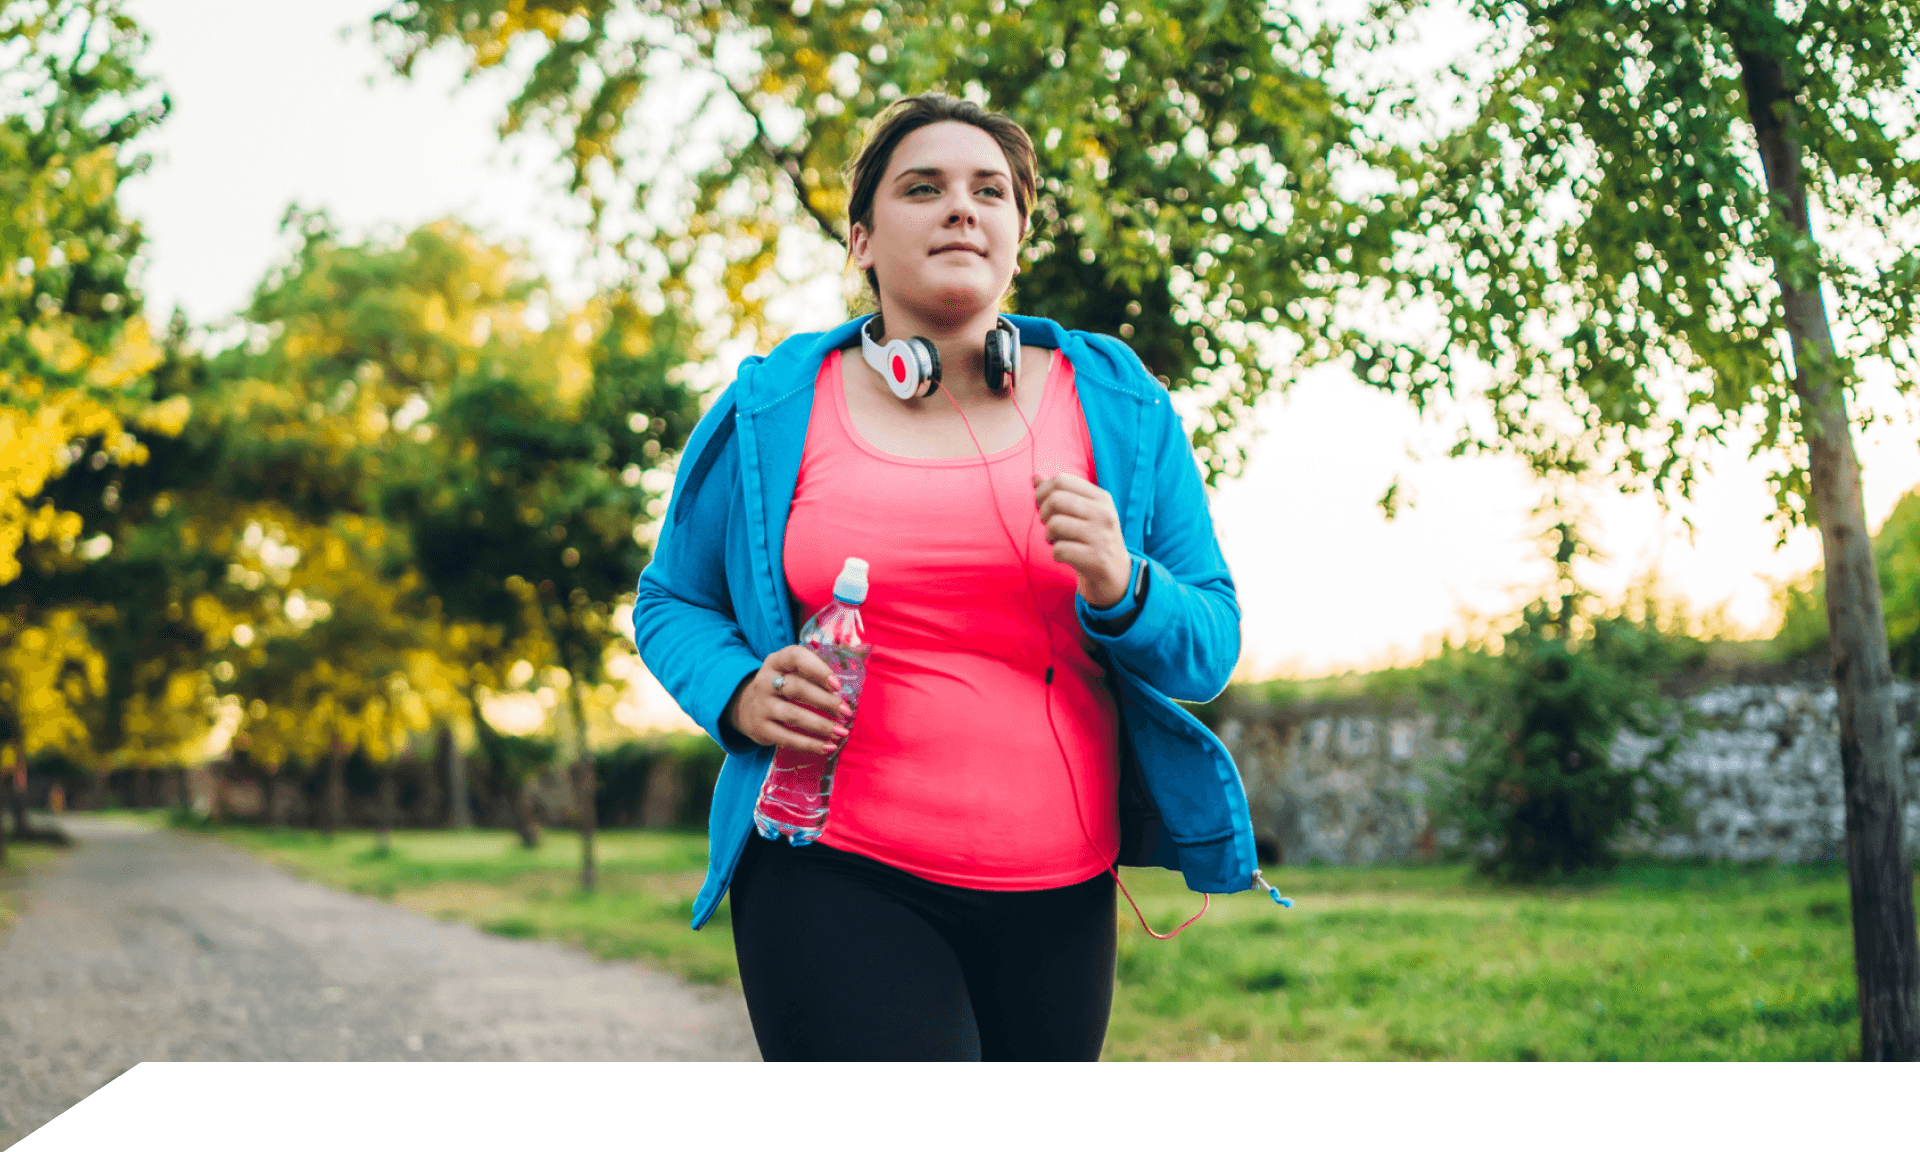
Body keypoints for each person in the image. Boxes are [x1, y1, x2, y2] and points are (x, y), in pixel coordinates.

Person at [632, 93, 1263, 1061]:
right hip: (831, 869)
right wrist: (740, 692)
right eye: (922, 188)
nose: (962, 207)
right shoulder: (771, 406)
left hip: (1061, 897)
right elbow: (672, 599)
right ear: (861, 241)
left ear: (1017, 237)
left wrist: (1124, 585)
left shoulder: (1121, 404)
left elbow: (1209, 644)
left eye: (990, 191)